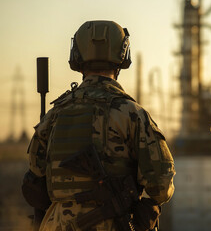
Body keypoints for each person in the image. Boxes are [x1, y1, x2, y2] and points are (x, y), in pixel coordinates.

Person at [22, 20, 175, 231]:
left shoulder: (54, 115)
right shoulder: (132, 114)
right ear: (122, 57)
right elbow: (160, 184)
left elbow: (33, 184)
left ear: (77, 56)